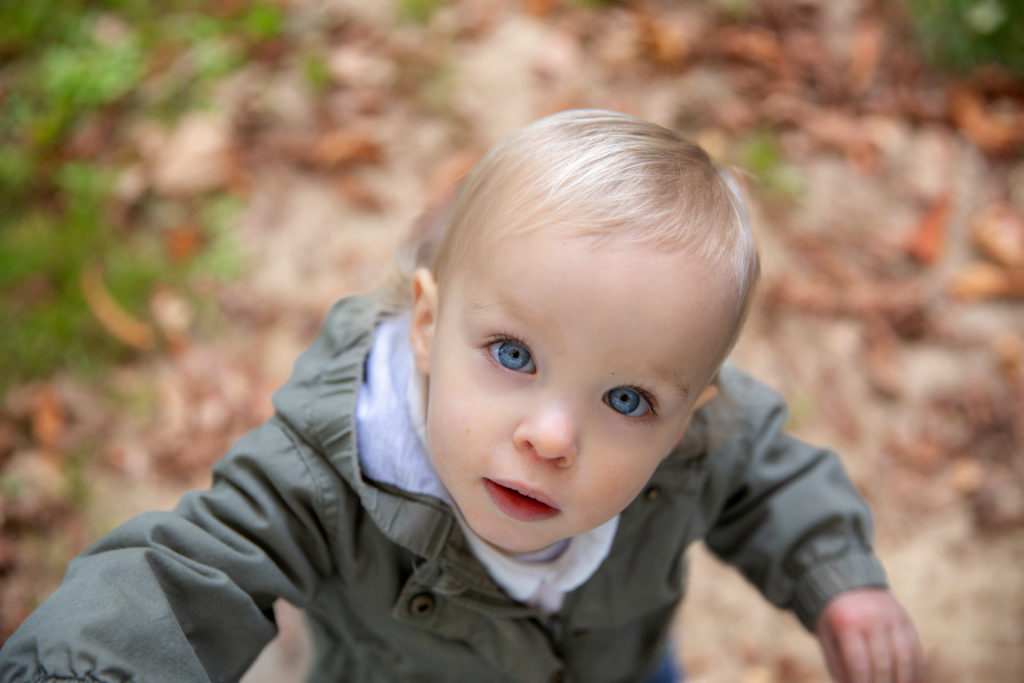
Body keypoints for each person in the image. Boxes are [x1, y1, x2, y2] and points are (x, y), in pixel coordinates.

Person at [0, 110, 922, 683]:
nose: (554, 435)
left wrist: (837, 577)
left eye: (629, 401)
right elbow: (187, 573)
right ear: (428, 326)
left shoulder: (707, 438)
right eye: (513, 352)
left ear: (691, 410)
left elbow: (769, 476)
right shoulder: (327, 472)